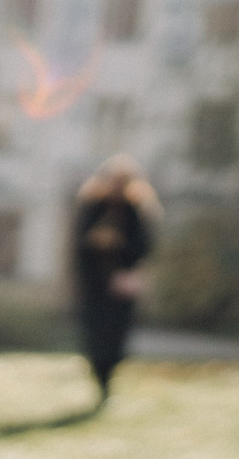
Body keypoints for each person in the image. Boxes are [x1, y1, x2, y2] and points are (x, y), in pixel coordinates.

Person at [73, 155, 160, 403]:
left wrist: (120, 246)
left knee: (118, 335)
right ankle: (99, 376)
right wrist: (97, 242)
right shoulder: (93, 207)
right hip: (96, 285)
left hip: (122, 284)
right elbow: (80, 246)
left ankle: (109, 377)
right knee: (95, 334)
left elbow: (144, 246)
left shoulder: (134, 210)